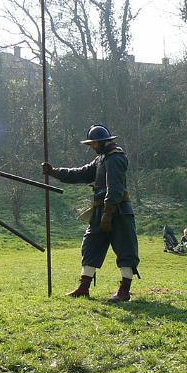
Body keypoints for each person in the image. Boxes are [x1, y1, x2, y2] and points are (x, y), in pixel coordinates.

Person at [43, 124, 139, 302]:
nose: (92, 147)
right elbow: (81, 173)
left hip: (118, 211)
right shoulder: (101, 159)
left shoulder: (115, 158)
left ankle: (124, 291)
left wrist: (108, 215)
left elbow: (115, 189)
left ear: (102, 142)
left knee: (126, 250)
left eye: (94, 144)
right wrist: (54, 172)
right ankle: (83, 287)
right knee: (90, 246)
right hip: (101, 210)